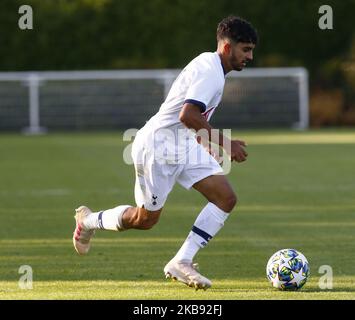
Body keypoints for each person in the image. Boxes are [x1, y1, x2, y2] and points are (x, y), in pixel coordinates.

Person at [73, 15, 258, 290]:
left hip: (183, 144)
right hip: (157, 147)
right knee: (144, 220)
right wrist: (224, 142)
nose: (250, 57)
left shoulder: (212, 68)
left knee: (225, 198)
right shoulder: (211, 70)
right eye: (246, 50)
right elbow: (187, 114)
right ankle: (87, 221)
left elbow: (190, 115)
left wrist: (204, 142)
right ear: (228, 48)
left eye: (252, 50)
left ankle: (181, 261)